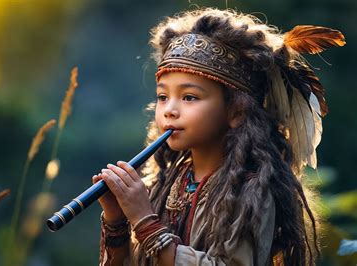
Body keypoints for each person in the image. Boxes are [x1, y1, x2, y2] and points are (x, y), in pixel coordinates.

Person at [92, 7, 345, 266]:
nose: (170, 110)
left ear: (236, 111)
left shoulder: (252, 189)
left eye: (189, 97)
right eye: (162, 96)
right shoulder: (165, 183)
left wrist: (145, 221)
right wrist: (117, 221)